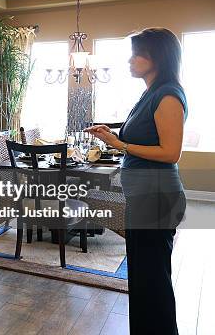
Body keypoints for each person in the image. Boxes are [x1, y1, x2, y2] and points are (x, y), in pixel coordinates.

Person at [85, 28, 187, 335]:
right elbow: (144, 130)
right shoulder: (150, 92)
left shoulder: (168, 95)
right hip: (145, 198)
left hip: (157, 199)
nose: (130, 61)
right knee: (143, 280)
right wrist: (113, 132)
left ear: (156, 57)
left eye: (136, 54)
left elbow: (170, 153)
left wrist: (121, 145)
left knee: (153, 283)